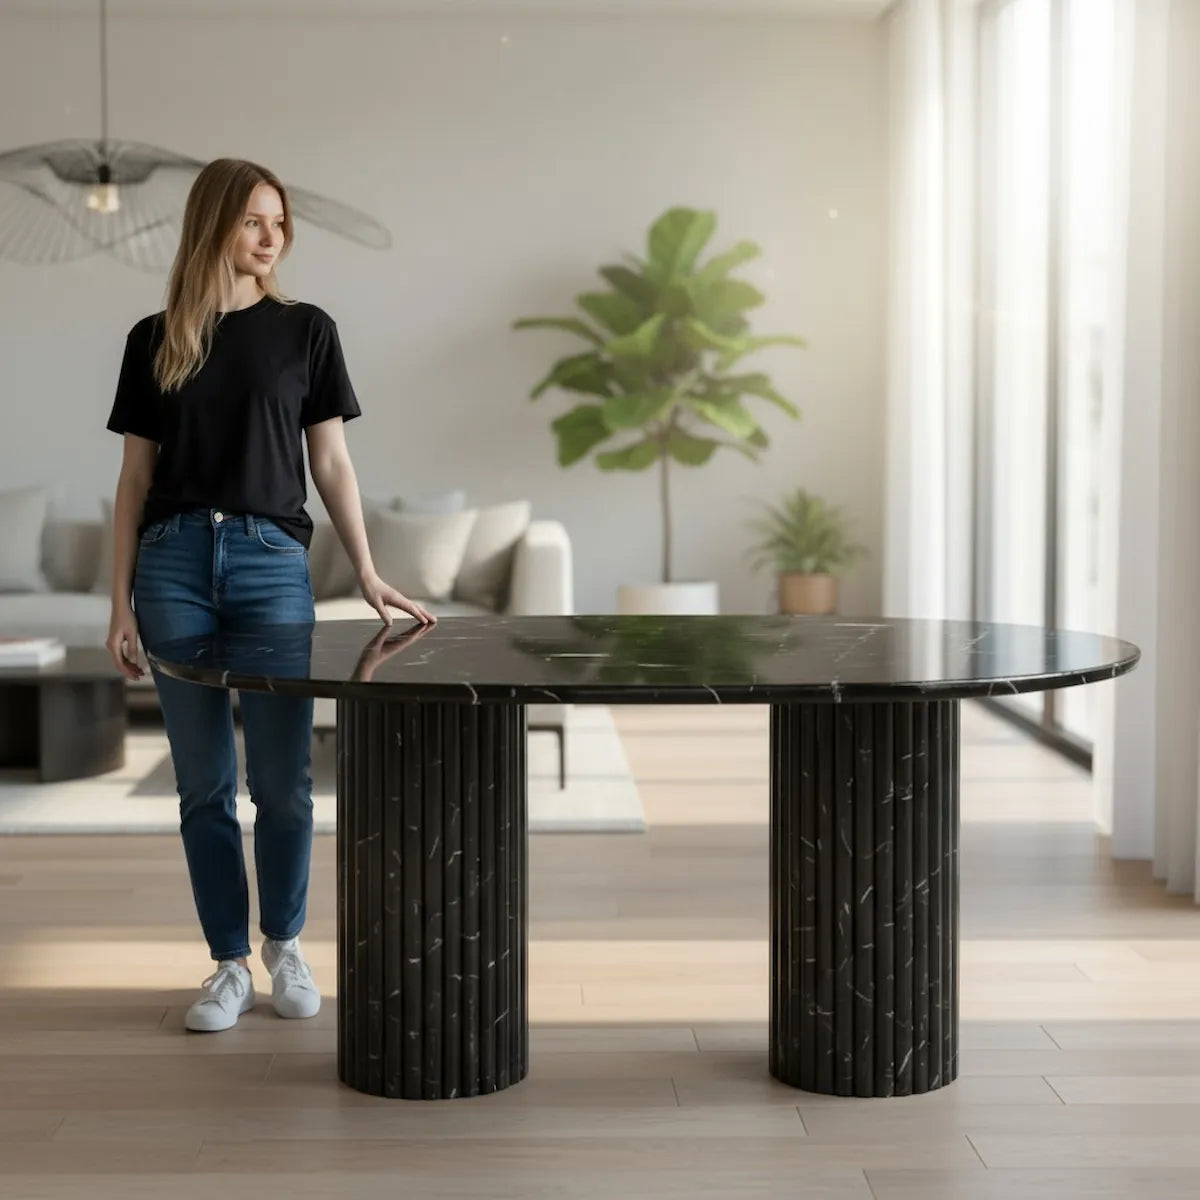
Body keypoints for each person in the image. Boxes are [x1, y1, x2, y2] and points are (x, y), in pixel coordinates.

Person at [103, 157, 435, 1033]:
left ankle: (284, 943)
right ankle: (227, 966)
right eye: (254, 221)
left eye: (279, 224)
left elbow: (330, 462)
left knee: (283, 782)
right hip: (171, 567)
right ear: (215, 224)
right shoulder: (153, 338)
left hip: (268, 563)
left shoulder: (306, 331)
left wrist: (364, 570)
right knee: (203, 785)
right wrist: (118, 604)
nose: (271, 238)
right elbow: (133, 482)